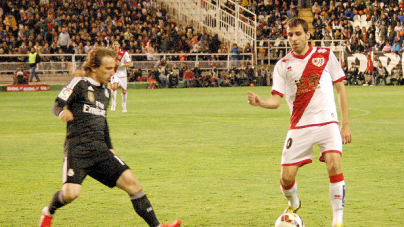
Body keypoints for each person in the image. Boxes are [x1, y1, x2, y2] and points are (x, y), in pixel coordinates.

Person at [38, 48, 181, 227]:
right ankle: (48, 212)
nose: (112, 73)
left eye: (113, 68)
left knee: (132, 183)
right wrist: (61, 113)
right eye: (107, 69)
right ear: (94, 67)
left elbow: (102, 121)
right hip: (79, 149)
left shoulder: (105, 92)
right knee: (71, 194)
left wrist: (110, 146)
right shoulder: (79, 84)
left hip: (100, 149)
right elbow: (57, 104)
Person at [247, 18, 351, 227]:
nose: (293, 39)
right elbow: (276, 101)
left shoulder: (325, 56)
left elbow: (340, 89)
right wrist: (261, 102)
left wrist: (345, 123)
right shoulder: (282, 65)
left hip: (327, 122)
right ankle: (294, 201)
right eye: (290, 35)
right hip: (300, 125)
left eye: (297, 34)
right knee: (286, 178)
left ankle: (337, 221)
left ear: (307, 35)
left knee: (334, 164)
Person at [110, 41, 132, 112]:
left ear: (119, 45)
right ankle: (113, 104)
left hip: (122, 74)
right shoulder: (110, 53)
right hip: (114, 73)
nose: (115, 45)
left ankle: (124, 104)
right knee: (114, 86)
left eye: (116, 44)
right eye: (114, 44)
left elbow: (129, 64)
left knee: (124, 90)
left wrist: (121, 64)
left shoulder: (124, 53)